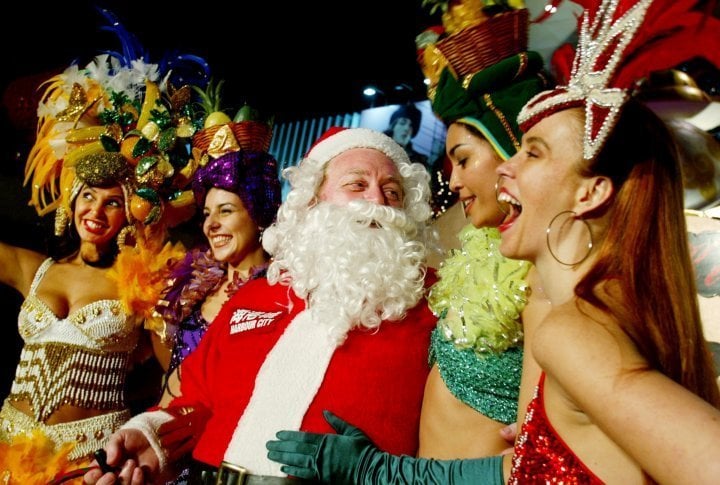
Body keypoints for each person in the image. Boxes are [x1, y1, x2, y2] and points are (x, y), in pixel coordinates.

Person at [264, 0, 720, 483]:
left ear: (590, 192)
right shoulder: (593, 304)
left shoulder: (573, 328)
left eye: (532, 153)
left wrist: (382, 473)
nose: (506, 167)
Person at [84, 126, 440, 484]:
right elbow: (197, 396)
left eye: (393, 191)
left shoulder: (436, 302)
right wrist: (151, 437)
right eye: (357, 185)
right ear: (314, 200)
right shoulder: (257, 293)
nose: (377, 202)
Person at [0, 9, 208, 481]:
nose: (95, 210)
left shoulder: (138, 281)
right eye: (88, 196)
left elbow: (175, 374)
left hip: (92, 463)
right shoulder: (34, 268)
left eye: (113, 202)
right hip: (10, 452)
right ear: (72, 201)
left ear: (129, 213)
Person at [384, 103, 428, 167]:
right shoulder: (376, 150)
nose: (407, 128)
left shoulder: (420, 161)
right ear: (393, 126)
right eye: (402, 123)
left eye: (411, 126)